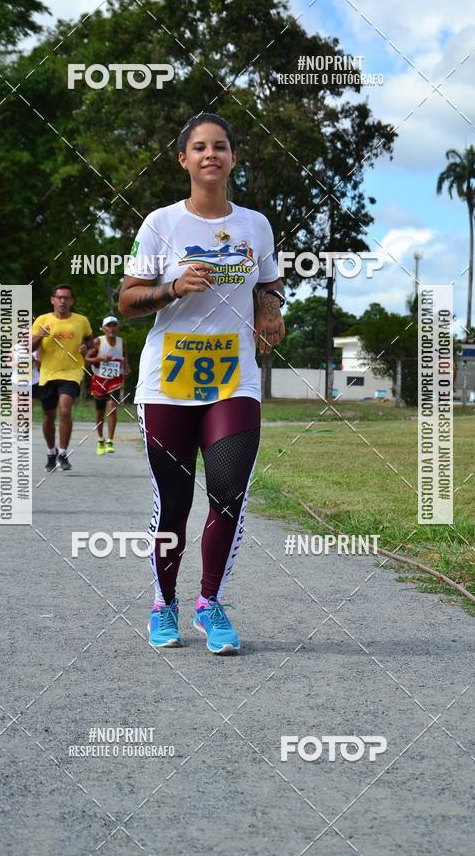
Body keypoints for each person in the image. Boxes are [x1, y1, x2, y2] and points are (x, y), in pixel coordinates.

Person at [119, 112, 286, 654]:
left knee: (229, 495)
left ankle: (209, 604)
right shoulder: (161, 225)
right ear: (184, 160)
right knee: (172, 501)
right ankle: (162, 605)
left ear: (233, 158)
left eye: (220, 146)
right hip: (168, 381)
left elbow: (269, 281)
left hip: (233, 379)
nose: (210, 154)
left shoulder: (255, 225)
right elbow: (126, 301)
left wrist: (270, 308)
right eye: (199, 147)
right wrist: (171, 287)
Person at [31, 284, 94, 472]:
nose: (63, 301)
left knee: (65, 410)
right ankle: (51, 452)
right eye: (59, 297)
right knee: (48, 415)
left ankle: (63, 453)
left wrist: (86, 346)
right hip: (48, 374)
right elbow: (29, 348)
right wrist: (40, 336)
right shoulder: (42, 320)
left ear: (71, 301)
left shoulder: (81, 321)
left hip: (72, 372)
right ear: (52, 300)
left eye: (66, 298)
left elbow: (90, 339)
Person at [85, 316, 130, 454]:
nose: (111, 328)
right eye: (109, 326)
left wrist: (126, 368)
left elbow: (125, 358)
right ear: (104, 328)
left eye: (114, 325)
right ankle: (100, 439)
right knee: (100, 411)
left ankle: (110, 440)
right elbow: (87, 359)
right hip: (99, 379)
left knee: (112, 407)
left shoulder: (122, 343)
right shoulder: (98, 341)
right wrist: (100, 358)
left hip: (115, 380)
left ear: (118, 327)